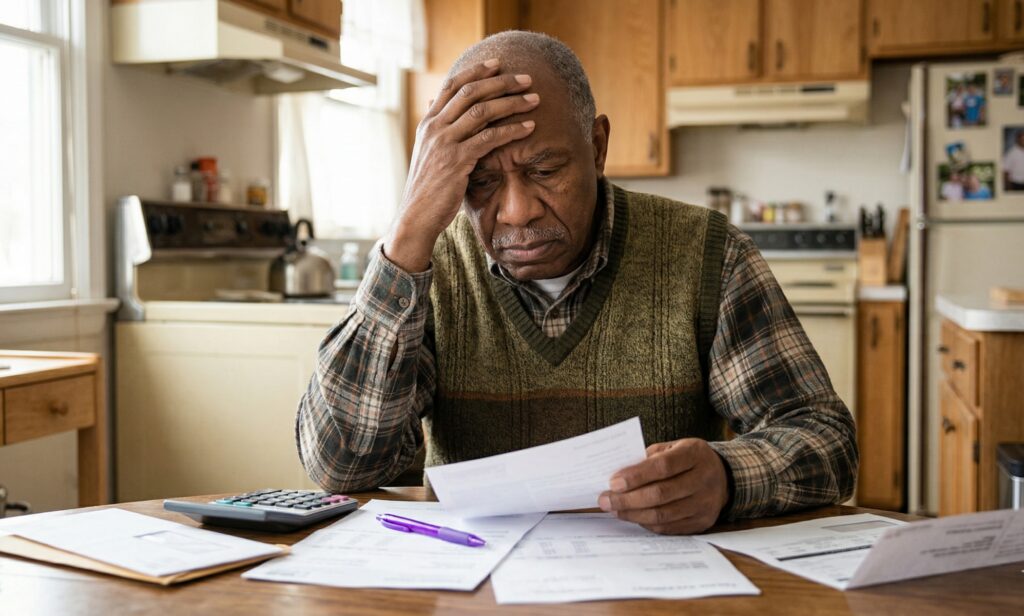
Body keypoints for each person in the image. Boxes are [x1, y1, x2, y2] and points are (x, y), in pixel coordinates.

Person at [296, 31, 857, 535]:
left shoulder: (706, 253)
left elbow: (826, 440)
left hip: (656, 588)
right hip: (471, 584)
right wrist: (407, 236)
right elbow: (342, 465)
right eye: (482, 181)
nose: (515, 212)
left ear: (598, 146)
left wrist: (729, 478)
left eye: (544, 171)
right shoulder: (426, 265)